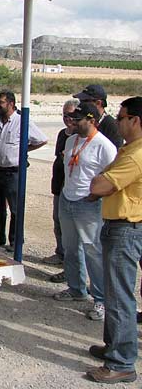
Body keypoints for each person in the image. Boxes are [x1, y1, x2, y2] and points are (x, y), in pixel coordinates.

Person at [86, 96, 142, 385]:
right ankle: (114, 347)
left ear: (136, 120)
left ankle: (121, 362)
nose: (117, 123)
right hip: (123, 225)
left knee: (119, 296)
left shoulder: (134, 155)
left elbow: (100, 184)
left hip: (125, 228)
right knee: (114, 293)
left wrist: (101, 181)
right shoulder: (128, 149)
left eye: (121, 118)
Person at [52, 102, 117, 322]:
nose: (72, 122)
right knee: (71, 248)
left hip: (88, 204)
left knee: (93, 251)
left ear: (91, 120)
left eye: (77, 119)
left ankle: (101, 299)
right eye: (71, 118)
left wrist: (96, 195)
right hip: (68, 199)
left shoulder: (104, 146)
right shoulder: (71, 140)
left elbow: (112, 177)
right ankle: (76, 289)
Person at [0, 90, 47, 249]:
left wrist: (24, 149)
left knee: (15, 208)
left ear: (11, 104)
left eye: (1, 102)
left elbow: (41, 139)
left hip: (12, 172)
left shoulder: (21, 121)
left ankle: (15, 241)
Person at [46, 100, 79, 283]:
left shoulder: (80, 137)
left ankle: (70, 266)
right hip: (59, 184)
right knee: (57, 221)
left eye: (70, 115)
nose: (67, 118)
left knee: (71, 231)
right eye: (64, 115)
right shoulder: (62, 134)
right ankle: (60, 253)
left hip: (72, 187)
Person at [74, 84, 123, 149]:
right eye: (80, 101)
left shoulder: (112, 126)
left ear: (98, 103)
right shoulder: (82, 121)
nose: (81, 104)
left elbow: (116, 151)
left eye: (85, 101)